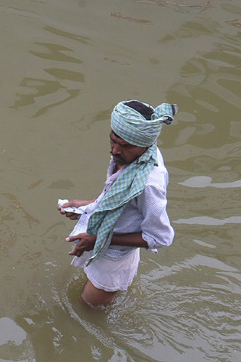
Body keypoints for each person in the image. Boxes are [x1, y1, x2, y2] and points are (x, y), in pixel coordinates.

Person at [59, 99, 178, 307]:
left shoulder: (148, 184)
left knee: (87, 311)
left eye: (125, 145)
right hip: (103, 246)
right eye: (113, 140)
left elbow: (161, 237)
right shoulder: (132, 156)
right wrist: (88, 206)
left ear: (144, 144)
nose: (115, 150)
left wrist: (99, 240)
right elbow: (117, 195)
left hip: (114, 259)